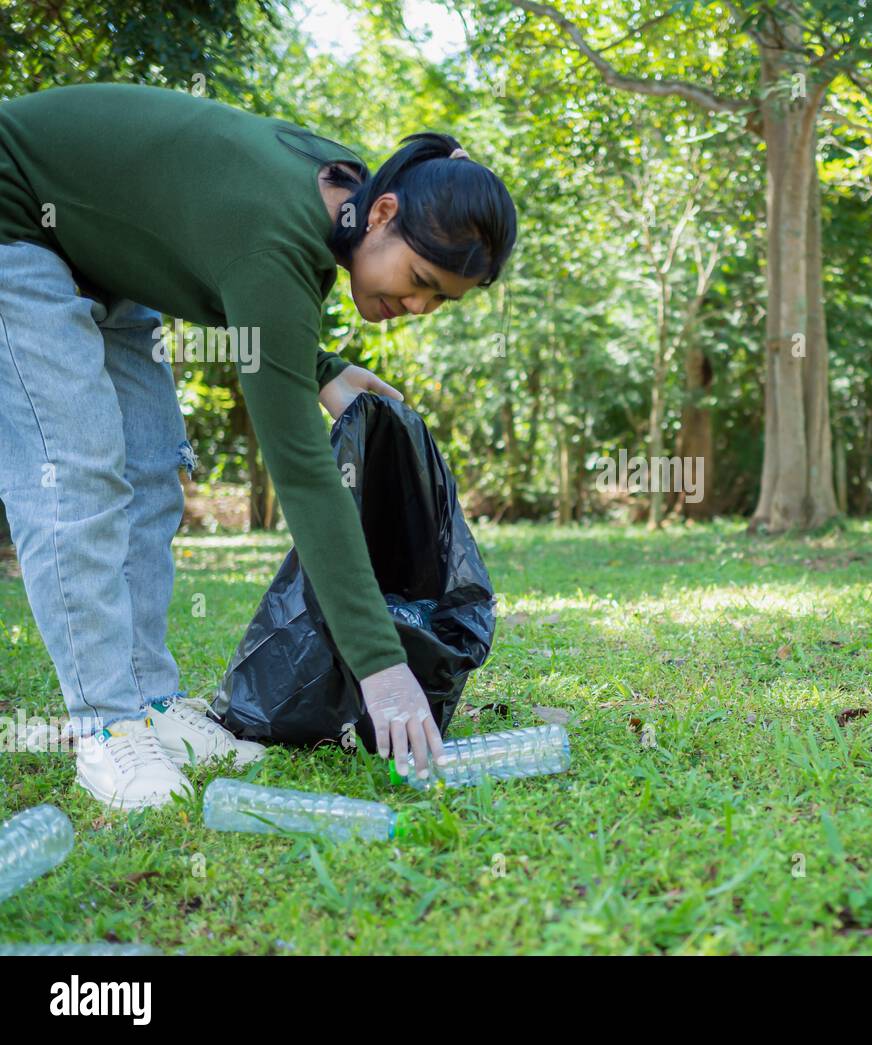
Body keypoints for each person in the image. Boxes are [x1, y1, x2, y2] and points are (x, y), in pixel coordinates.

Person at [0, 83, 516, 809]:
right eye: (421, 281)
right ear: (386, 213)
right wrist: (382, 665)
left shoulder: (346, 188)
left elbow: (244, 283)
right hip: (16, 213)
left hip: (101, 251)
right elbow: (307, 476)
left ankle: (150, 703)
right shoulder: (279, 237)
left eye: (442, 299)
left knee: (151, 472)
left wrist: (324, 370)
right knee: (77, 471)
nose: (419, 309)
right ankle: (108, 727)